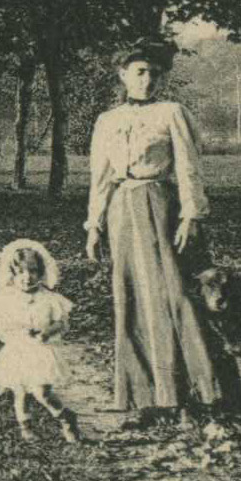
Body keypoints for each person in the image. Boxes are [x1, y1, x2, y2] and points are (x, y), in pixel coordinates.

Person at [85, 42, 220, 427]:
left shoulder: (172, 113)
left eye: (154, 73)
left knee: (172, 294)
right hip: (120, 212)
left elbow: (189, 168)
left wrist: (190, 216)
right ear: (123, 75)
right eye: (140, 72)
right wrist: (94, 225)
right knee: (130, 297)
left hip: (161, 206)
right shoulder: (106, 120)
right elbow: (100, 178)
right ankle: (143, 395)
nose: (147, 80)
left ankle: (192, 394)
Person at [0, 240, 80, 441]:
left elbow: (62, 323)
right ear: (12, 274)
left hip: (41, 350)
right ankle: (25, 426)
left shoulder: (49, 298)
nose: (27, 277)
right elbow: (0, 323)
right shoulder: (8, 298)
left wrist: (46, 331)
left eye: (33, 271)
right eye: (21, 272)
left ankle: (64, 417)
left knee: (42, 391)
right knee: (20, 390)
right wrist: (13, 333)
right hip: (18, 350)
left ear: (41, 272)